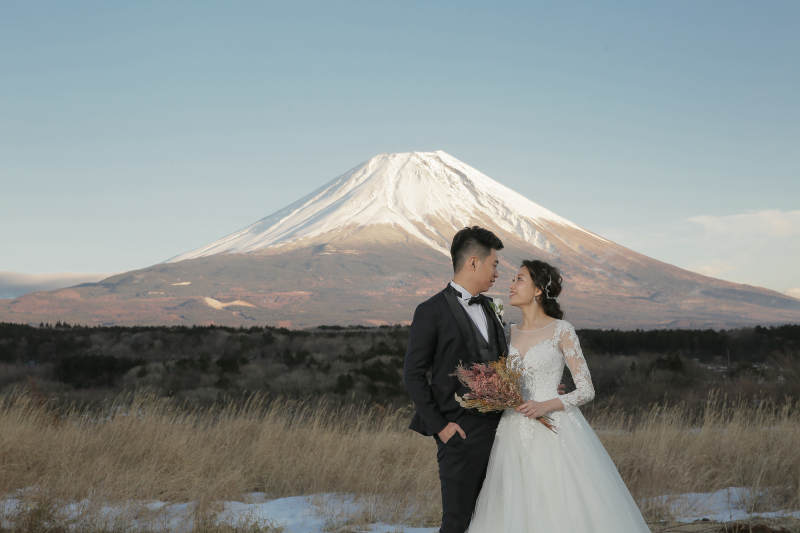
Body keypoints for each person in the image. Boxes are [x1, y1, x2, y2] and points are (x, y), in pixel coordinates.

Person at [467, 259, 650, 533]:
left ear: (538, 289)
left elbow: (587, 389)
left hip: (554, 431)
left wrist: (547, 404)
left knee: (558, 507)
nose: (511, 284)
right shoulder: (506, 333)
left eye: (519, 279)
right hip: (512, 432)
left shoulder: (562, 330)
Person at [403, 227, 564, 533]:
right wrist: (441, 427)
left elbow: (503, 367)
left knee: (496, 519)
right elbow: (412, 373)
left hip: (504, 430)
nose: (497, 274)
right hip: (460, 432)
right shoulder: (431, 311)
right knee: (458, 522)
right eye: (495, 265)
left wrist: (541, 388)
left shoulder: (491, 307)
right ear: (473, 263)